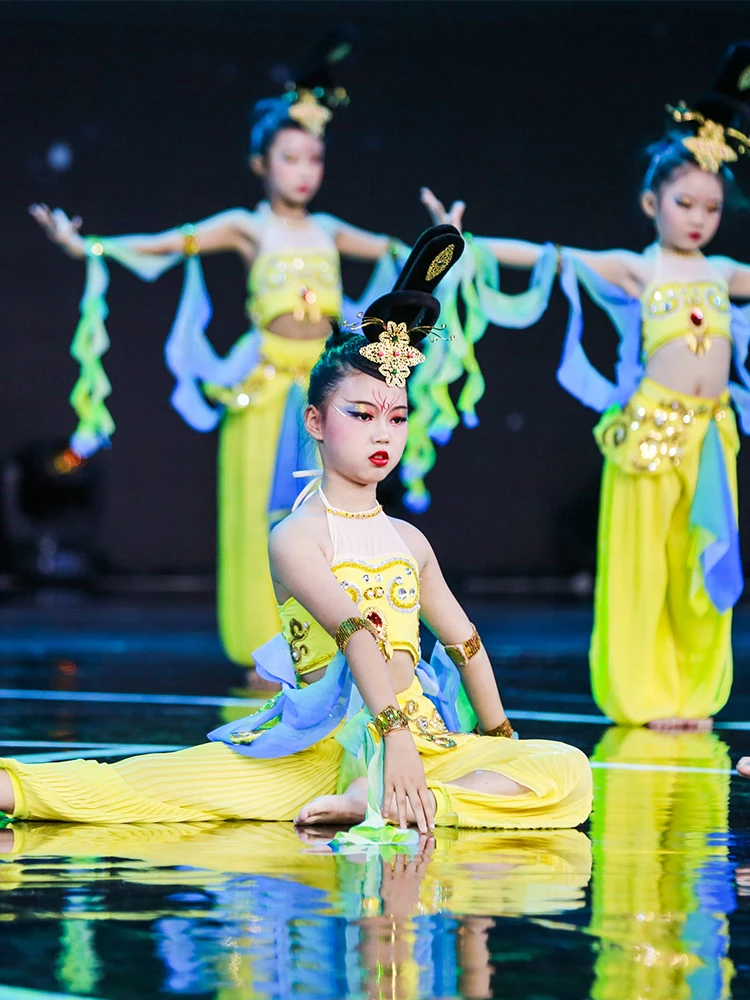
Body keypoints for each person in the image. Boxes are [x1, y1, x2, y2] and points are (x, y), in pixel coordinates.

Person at [0, 227, 592, 836]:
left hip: (422, 744)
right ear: (315, 420)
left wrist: (500, 742)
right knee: (150, 784)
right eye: (360, 415)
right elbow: (359, 637)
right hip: (319, 748)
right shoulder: (296, 536)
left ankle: (407, 803)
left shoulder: (411, 543)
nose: (382, 433)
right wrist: (394, 747)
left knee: (568, 769)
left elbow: (466, 644)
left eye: (397, 416)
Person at [29, 33, 414, 670]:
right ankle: (265, 648)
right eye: (291, 158)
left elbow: (406, 255)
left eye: (314, 159)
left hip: (324, 388)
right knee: (258, 516)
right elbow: (165, 243)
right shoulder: (247, 227)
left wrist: (447, 240)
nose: (304, 171)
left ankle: (331, 642)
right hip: (263, 387)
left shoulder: (330, 231)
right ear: (262, 163)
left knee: (327, 507)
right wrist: (88, 247)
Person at [424, 43, 750, 731]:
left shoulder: (722, 273)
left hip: (711, 440)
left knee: (697, 574)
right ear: (650, 201)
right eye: (684, 202)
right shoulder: (638, 270)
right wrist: (463, 240)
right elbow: (548, 257)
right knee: (642, 571)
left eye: (711, 207)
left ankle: (693, 696)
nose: (697, 217)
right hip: (648, 436)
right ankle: (643, 697)